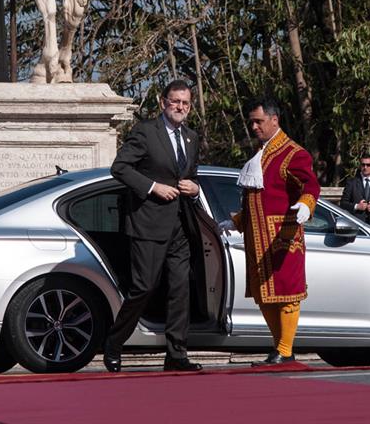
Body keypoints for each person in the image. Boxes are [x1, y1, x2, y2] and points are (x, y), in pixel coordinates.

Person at [103, 80, 203, 372]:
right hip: (148, 225)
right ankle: (113, 343)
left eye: (185, 103)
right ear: (163, 102)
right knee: (143, 288)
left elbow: (191, 175)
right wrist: (152, 187)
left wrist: (195, 188)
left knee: (180, 288)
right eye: (175, 102)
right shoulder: (146, 132)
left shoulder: (191, 137)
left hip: (181, 225)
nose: (180, 107)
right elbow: (119, 167)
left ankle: (176, 355)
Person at [225, 98, 320, 365]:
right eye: (252, 122)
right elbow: (258, 200)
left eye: (259, 121)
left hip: (283, 236)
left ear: (274, 120)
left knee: (287, 293)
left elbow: (310, 186)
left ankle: (285, 350)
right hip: (257, 237)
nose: (254, 126)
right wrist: (237, 221)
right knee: (265, 295)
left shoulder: (293, 153)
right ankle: (280, 349)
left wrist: (305, 204)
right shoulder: (262, 151)